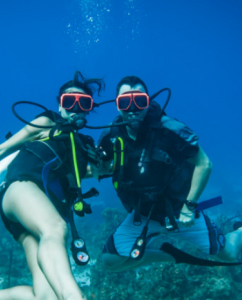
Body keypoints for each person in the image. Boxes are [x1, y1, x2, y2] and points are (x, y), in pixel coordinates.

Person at [0, 71, 105, 300]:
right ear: (59, 105)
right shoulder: (47, 121)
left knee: (46, 296)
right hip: (21, 189)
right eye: (69, 101)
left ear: (89, 108)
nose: (76, 107)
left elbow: (97, 172)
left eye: (83, 102)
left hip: (37, 215)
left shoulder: (82, 147)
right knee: (56, 229)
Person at [90, 75, 242, 272]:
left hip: (180, 212)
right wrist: (92, 165)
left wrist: (189, 206)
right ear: (118, 105)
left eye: (139, 100)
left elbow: (204, 164)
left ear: (148, 101)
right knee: (109, 262)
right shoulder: (110, 136)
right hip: (142, 215)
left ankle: (239, 231)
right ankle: (170, 255)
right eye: (125, 102)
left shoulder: (170, 129)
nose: (133, 108)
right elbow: (101, 171)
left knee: (229, 254)